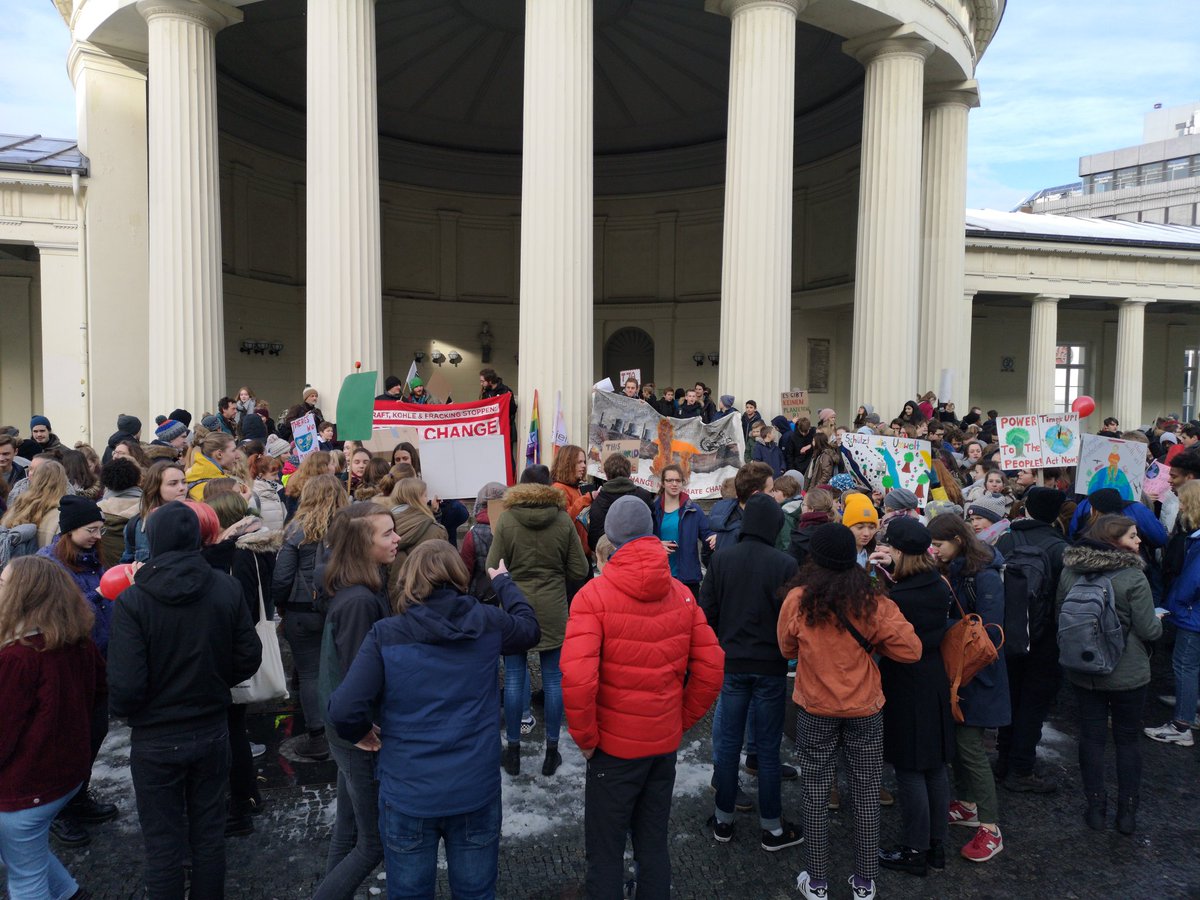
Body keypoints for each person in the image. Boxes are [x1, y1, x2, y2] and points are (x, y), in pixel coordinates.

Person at [328, 543, 540, 898]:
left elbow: (344, 709)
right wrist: (504, 582)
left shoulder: (386, 634)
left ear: (410, 580)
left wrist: (360, 731)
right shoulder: (487, 623)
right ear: (457, 577)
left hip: (409, 793)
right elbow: (530, 629)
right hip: (474, 789)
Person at [561, 495, 724, 899]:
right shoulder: (681, 594)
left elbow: (577, 679)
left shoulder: (593, 597)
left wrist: (586, 740)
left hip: (612, 749)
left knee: (605, 849)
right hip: (660, 745)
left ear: (610, 541)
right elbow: (711, 667)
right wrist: (679, 720)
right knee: (652, 841)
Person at [107, 501, 262, 899]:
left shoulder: (133, 601)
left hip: (157, 738)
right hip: (209, 727)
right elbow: (248, 655)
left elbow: (124, 687)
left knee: (163, 847)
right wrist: (213, 682)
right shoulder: (224, 587)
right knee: (208, 837)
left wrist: (145, 708)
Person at [779, 523, 920, 900]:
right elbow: (911, 649)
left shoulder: (798, 598)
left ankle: (818, 880)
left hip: (814, 707)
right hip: (865, 706)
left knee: (814, 791)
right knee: (866, 790)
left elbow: (786, 649)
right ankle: (864, 880)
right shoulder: (872, 599)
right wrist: (873, 648)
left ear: (815, 557)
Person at [0, 556, 106, 900]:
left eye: (3, 583)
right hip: (65, 774)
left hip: (24, 785)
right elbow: (99, 693)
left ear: (22, 595)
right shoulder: (77, 641)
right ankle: (71, 895)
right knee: (25, 854)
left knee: (25, 879)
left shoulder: (18, 657)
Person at [701, 494, 801, 850]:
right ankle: (772, 827)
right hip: (771, 667)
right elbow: (792, 621)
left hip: (733, 663)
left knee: (728, 745)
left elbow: (707, 610)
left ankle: (724, 820)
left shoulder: (722, 559)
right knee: (768, 749)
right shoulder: (785, 564)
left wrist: (723, 639)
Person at [314, 504, 399, 900]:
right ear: (362, 544)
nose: (396, 538)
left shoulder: (360, 590)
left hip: (346, 731)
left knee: (348, 833)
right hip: (357, 737)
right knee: (373, 844)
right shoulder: (360, 601)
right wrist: (362, 727)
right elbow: (356, 677)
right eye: (386, 534)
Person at [1057, 515, 1162, 834]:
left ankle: (1096, 809)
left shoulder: (1071, 570)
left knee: (1091, 736)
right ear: (1114, 540)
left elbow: (1060, 613)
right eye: (1132, 536)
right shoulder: (1132, 574)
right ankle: (1127, 814)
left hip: (1083, 667)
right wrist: (1160, 623)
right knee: (1127, 739)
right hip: (1126, 670)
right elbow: (1148, 629)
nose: (1139, 541)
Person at [488, 479, 589, 776]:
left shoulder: (506, 519)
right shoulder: (561, 519)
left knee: (516, 677)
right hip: (553, 608)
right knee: (554, 680)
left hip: (515, 608)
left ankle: (515, 752)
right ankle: (552, 752)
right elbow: (580, 569)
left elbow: (493, 567)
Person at [873, 518, 955, 878]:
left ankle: (914, 849)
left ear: (901, 552)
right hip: (935, 680)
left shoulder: (899, 598)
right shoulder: (938, 584)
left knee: (909, 769)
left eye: (890, 547)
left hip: (906, 684)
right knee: (935, 766)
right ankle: (937, 845)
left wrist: (879, 579)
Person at [927, 513, 1009, 862]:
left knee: (971, 749)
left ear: (958, 541)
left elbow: (990, 632)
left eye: (938, 544)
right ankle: (968, 804)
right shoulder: (952, 570)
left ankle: (990, 829)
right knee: (959, 744)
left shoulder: (985, 576)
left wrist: (944, 627)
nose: (934, 550)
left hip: (979, 675)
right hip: (958, 674)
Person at [203, 491, 280, 836]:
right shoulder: (252, 544)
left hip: (236, 647)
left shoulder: (240, 552)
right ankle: (248, 796)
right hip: (242, 644)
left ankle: (240, 806)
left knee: (232, 729)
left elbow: (243, 605)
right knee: (235, 728)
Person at [993, 487, 1069, 794]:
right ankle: (1022, 768)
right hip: (1045, 637)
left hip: (1009, 631)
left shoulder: (1006, 538)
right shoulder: (1060, 547)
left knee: (1009, 696)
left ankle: (1002, 760)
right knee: (1034, 703)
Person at [272, 474, 350, 761]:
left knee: (309, 673)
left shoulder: (296, 529)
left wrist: (280, 605)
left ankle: (318, 738)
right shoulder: (351, 527)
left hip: (302, 610)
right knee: (342, 668)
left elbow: (282, 577)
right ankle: (345, 727)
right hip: (343, 605)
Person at [1145, 480, 1200, 748]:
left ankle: (1182, 724)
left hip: (1193, 614)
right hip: (1193, 611)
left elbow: (1193, 581)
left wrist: (1174, 604)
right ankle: (1189, 709)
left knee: (1185, 666)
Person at [652, 464, 712, 597]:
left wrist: (715, 537)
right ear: (662, 483)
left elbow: (707, 534)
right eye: (670, 480)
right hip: (659, 577)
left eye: (678, 480)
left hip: (687, 578)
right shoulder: (652, 510)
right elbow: (643, 540)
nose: (674, 484)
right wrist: (656, 545)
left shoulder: (694, 510)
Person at [385, 478, 448, 588]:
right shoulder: (437, 530)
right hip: (425, 591)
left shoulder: (382, 524)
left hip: (391, 592)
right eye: (425, 495)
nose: (427, 499)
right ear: (416, 499)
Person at [586, 453, 656, 553]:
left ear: (606, 474)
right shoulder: (643, 495)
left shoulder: (600, 501)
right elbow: (653, 528)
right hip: (642, 555)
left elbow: (594, 541)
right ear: (629, 472)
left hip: (613, 559)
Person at [121, 460, 187, 564]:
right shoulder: (136, 526)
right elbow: (127, 565)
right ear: (156, 488)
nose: (182, 488)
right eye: (173, 484)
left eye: (184, 482)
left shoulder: (198, 518)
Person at [707, 462, 775, 555]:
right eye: (771, 491)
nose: (774, 496)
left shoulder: (755, 520)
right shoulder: (735, 533)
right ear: (756, 495)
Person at [2, 459, 70, 549]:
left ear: (35, 479)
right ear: (63, 481)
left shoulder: (19, 506)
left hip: (16, 561)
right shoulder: (63, 514)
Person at [282, 450, 334, 521]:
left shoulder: (298, 483)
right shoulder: (314, 489)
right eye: (332, 464)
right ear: (324, 467)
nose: (334, 467)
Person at [186, 432, 237, 501]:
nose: (238, 456)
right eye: (233, 451)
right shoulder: (205, 489)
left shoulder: (209, 476)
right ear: (219, 454)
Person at [842, 493, 879, 568]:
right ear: (847, 527)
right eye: (860, 527)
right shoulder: (838, 558)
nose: (867, 533)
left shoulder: (876, 555)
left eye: (871, 527)